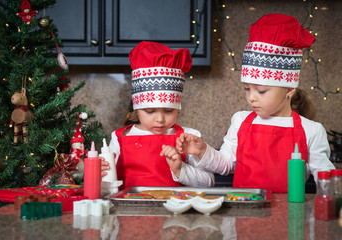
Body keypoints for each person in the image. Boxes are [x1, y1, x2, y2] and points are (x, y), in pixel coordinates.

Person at [176, 13, 335, 193]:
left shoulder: (311, 130)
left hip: (290, 216)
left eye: (261, 91)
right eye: (247, 88)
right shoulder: (240, 120)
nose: (251, 97)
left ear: (289, 90)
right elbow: (226, 164)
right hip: (244, 212)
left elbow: (326, 178)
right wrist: (203, 150)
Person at [101, 41, 215, 189]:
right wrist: (100, 174)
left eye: (169, 111)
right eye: (150, 111)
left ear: (178, 108)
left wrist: (180, 169)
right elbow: (108, 187)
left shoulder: (187, 137)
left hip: (176, 210)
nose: (160, 119)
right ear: (137, 109)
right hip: (130, 210)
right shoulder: (120, 138)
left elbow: (209, 182)